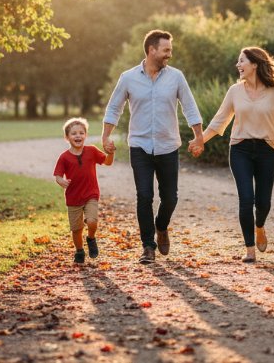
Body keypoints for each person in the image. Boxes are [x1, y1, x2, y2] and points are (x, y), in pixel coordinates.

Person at [102, 30, 204, 264]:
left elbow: (190, 106)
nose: (170, 53)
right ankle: (148, 246)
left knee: (170, 198)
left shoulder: (176, 77)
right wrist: (106, 136)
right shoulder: (128, 77)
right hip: (140, 146)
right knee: (144, 196)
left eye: (170, 49)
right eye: (166, 49)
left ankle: (161, 226)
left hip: (168, 145)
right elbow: (114, 108)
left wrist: (199, 137)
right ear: (152, 50)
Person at [193, 46, 274, 263]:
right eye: (238, 62)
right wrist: (200, 140)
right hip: (240, 149)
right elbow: (219, 120)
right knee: (246, 199)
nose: (238, 65)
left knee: (263, 202)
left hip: (267, 150)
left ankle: (260, 226)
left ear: (255, 65)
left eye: (242, 61)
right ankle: (249, 248)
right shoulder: (234, 91)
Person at [53, 117, 115, 264]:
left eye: (81, 132)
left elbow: (107, 162)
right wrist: (61, 181)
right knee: (76, 229)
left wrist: (111, 152)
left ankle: (91, 238)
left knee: (92, 221)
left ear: (85, 135)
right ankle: (79, 250)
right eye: (74, 133)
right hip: (73, 198)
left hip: (91, 195)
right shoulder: (64, 157)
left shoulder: (92, 151)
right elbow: (57, 176)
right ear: (67, 137)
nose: (78, 136)